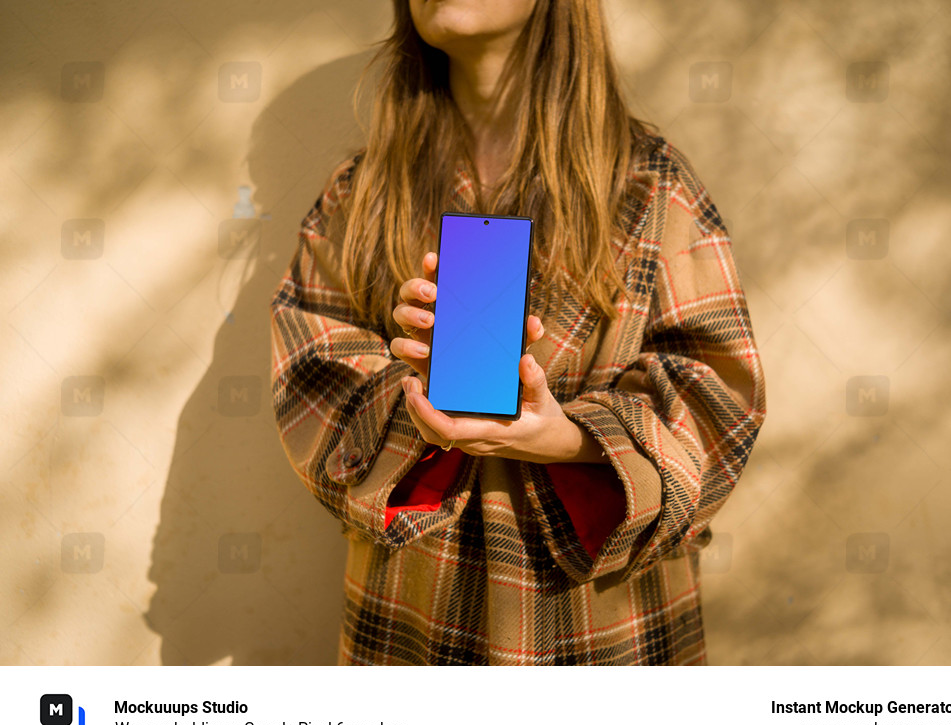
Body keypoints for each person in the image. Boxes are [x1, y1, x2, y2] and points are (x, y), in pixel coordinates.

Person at [269, 0, 766, 665]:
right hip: (420, 616)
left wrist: (572, 440)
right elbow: (310, 368)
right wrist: (413, 394)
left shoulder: (651, 184)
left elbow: (718, 393)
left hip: (599, 628)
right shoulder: (363, 194)